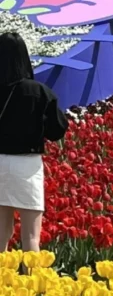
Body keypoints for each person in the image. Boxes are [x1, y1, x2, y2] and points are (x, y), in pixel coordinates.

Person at [0, 32, 68, 252]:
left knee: (1, 233)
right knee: (30, 236)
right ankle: (32, 284)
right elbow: (56, 131)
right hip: (26, 165)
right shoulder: (38, 92)